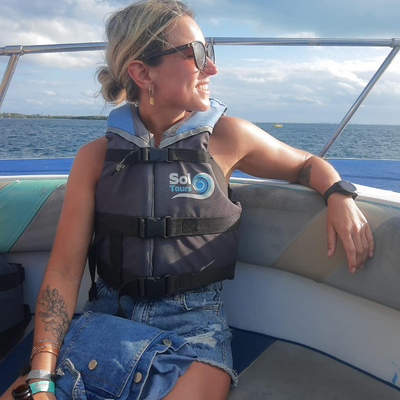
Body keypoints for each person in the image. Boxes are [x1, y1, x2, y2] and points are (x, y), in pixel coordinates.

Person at [21, 0, 374, 399]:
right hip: (107, 318)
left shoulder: (229, 138)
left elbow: (306, 165)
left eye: (210, 51)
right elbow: (64, 271)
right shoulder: (94, 158)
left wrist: (338, 194)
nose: (213, 68)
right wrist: (41, 375)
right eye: (197, 54)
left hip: (194, 332)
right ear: (143, 73)